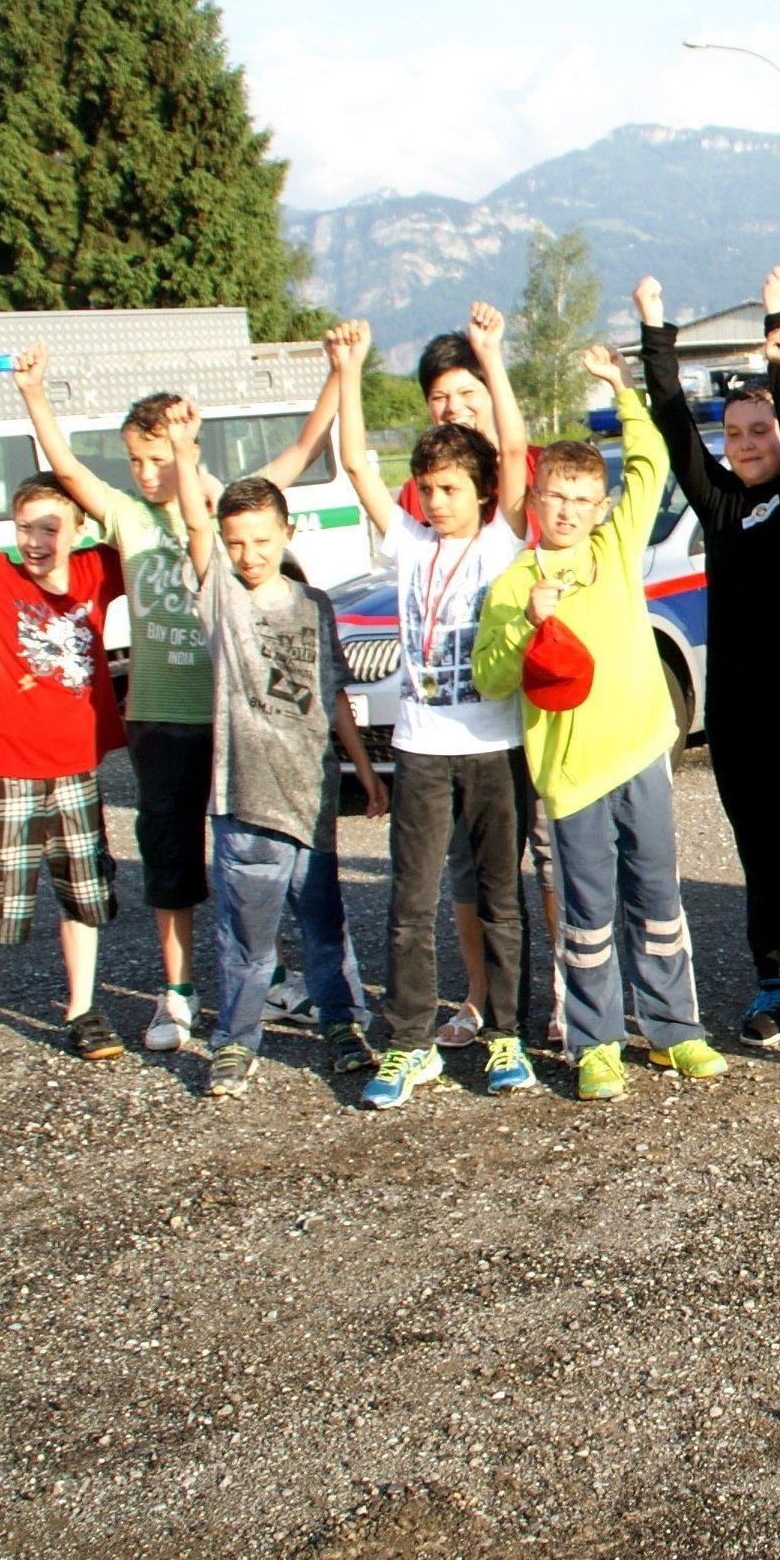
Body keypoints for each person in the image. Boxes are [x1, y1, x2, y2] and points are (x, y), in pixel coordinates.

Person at [13, 347, 337, 1051]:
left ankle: (274, 979)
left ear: (184, 448)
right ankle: (178, 991)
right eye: (133, 460)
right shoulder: (125, 515)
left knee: (249, 854)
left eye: (156, 457)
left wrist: (341, 374)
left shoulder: (225, 511)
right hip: (159, 719)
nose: (144, 472)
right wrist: (35, 394)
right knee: (169, 859)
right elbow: (68, 469)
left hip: (232, 717)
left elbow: (302, 449)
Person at [471, 345, 728, 1102]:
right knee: (585, 915)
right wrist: (524, 624)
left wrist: (621, 388)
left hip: (641, 754)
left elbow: (648, 463)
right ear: (534, 497)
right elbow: (490, 679)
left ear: (597, 505)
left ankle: (674, 1030)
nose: (567, 513)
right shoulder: (511, 583)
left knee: (657, 900)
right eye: (555, 497)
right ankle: (595, 1043)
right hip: (572, 777)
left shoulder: (616, 549)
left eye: (582, 501)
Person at [637, 268, 780, 1048]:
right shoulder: (719, 501)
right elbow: (672, 425)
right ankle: (776, 984)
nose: (746, 444)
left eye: (757, 431)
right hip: (742, 717)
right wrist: (654, 329)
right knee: (764, 859)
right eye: (733, 435)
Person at [325, 319, 536, 1107]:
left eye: (452, 489)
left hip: (493, 745)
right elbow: (353, 461)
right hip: (419, 750)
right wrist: (347, 370)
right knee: (410, 903)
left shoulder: (502, 541)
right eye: (429, 489)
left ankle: (507, 1033)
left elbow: (513, 451)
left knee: (501, 898)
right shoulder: (407, 541)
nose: (437, 501)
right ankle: (409, 1043)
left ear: (481, 492)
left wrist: (492, 359)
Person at [173, 448, 383, 1099]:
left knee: (325, 927)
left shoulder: (314, 605)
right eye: (235, 542)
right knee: (246, 940)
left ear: (287, 533)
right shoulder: (223, 605)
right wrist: (185, 453)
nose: (248, 554)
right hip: (244, 804)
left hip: (312, 797)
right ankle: (235, 1043)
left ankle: (344, 1028)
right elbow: (193, 525)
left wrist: (364, 770)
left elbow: (334, 694)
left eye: (261, 540)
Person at [0, 473, 126, 1092]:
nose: (34, 541)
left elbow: (144, 523)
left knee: (83, 894)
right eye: (23, 528)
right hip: (7, 769)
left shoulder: (97, 572)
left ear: (77, 531)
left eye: (49, 528)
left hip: (76, 769)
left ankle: (82, 1009)